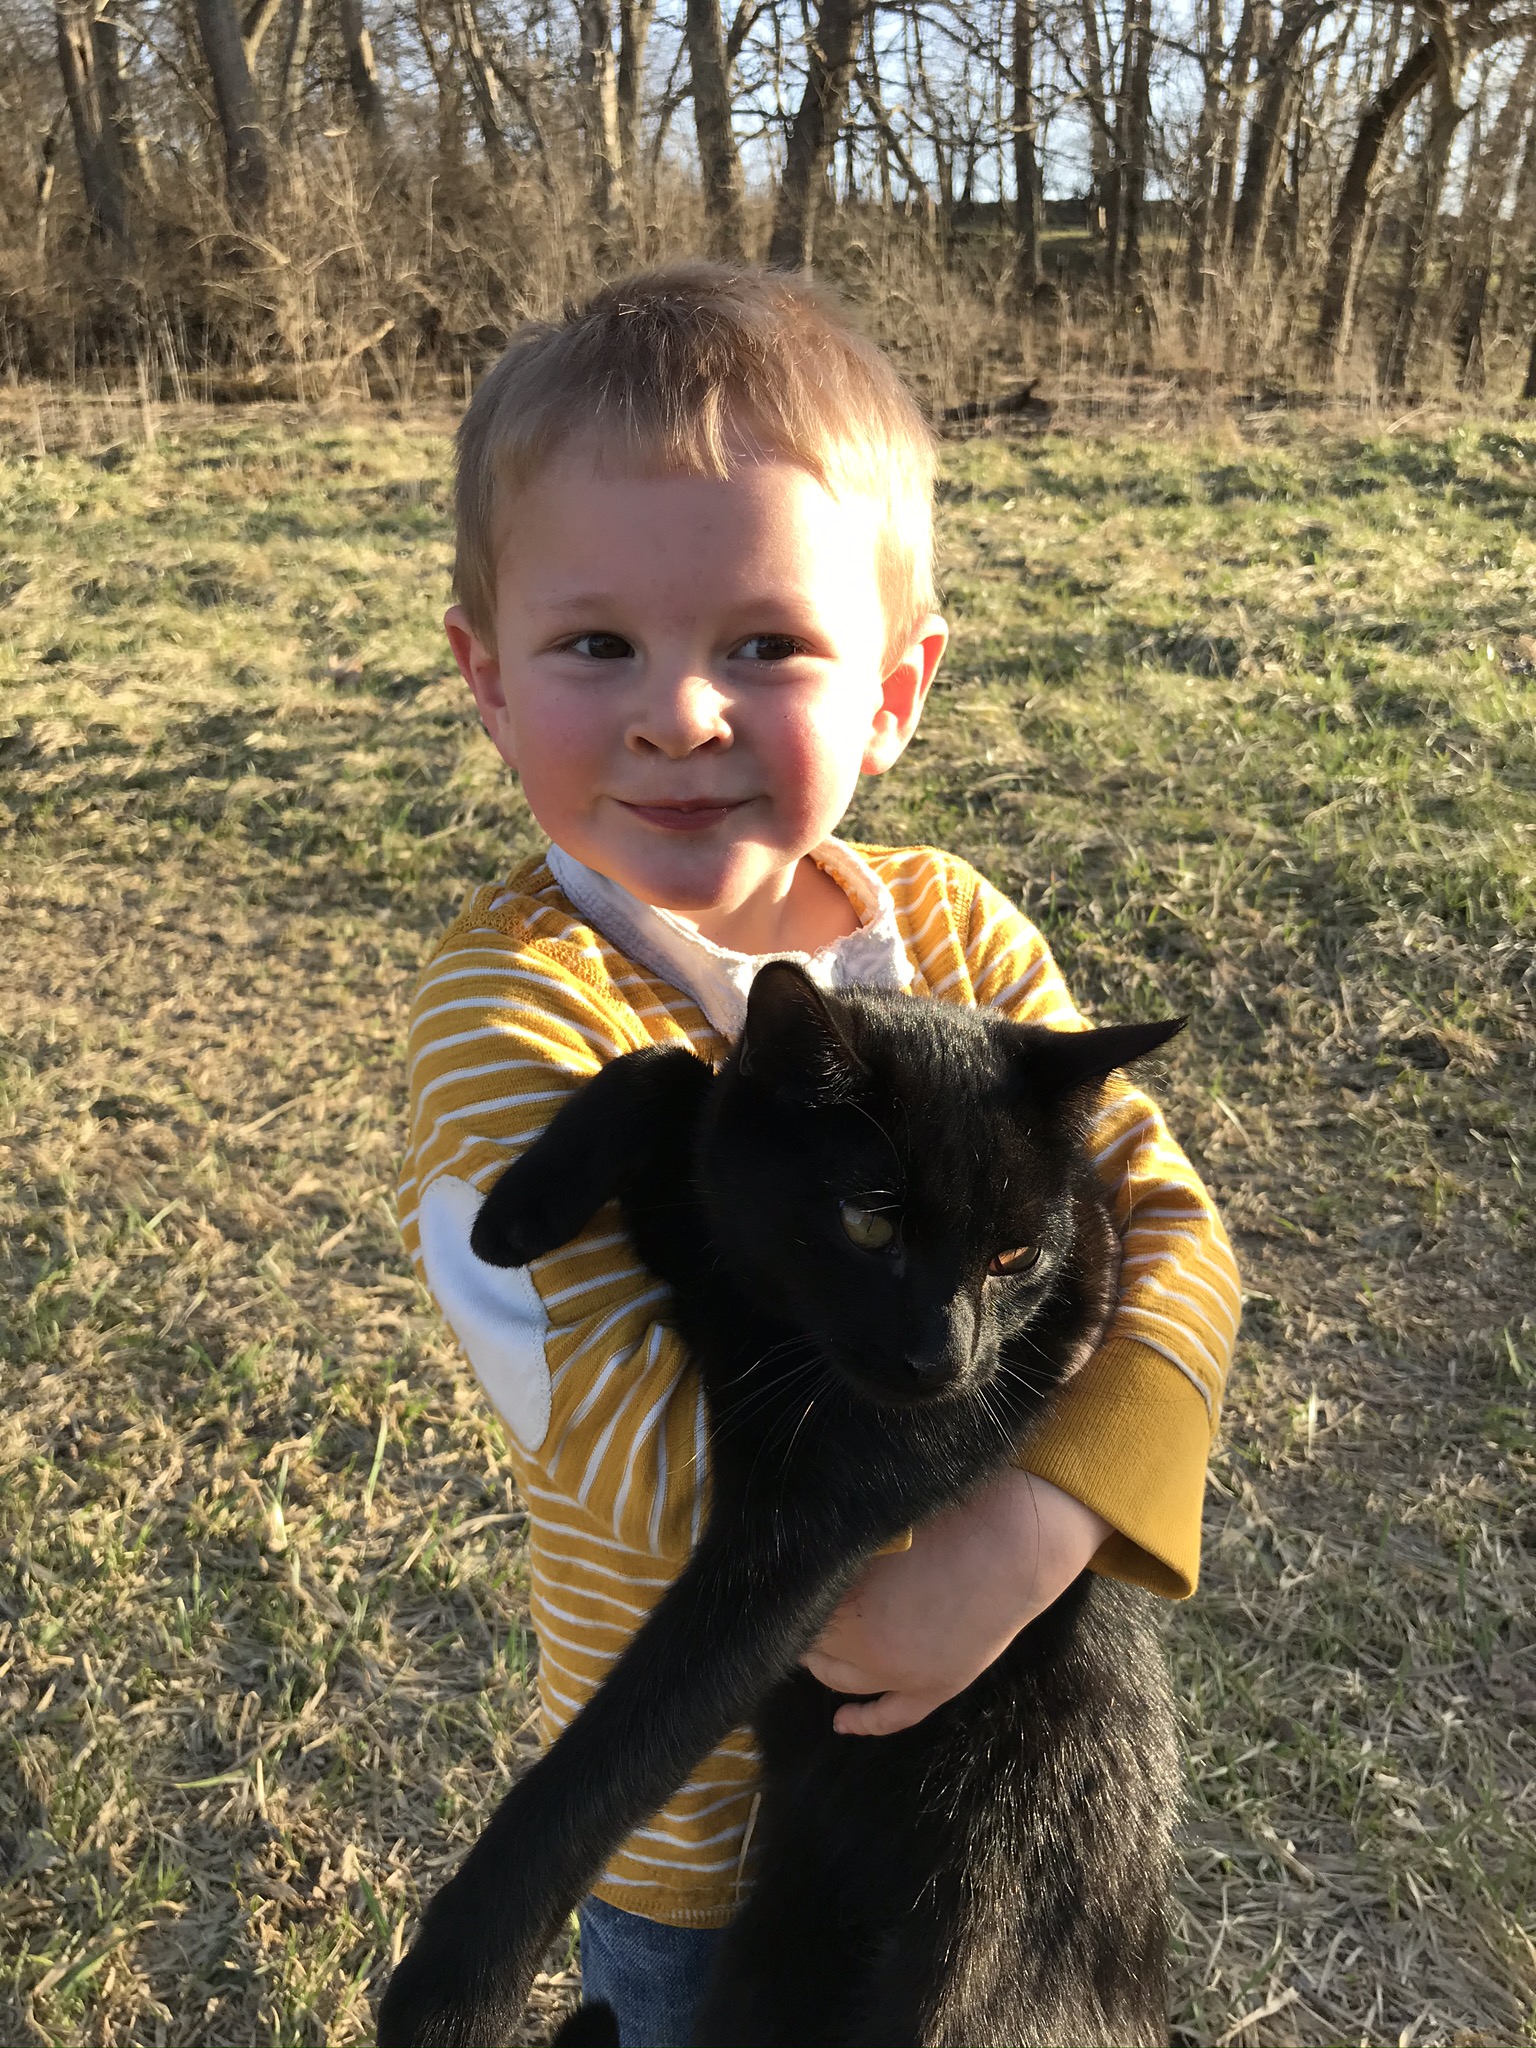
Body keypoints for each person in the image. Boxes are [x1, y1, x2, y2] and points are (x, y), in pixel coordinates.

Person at [397, 263, 1240, 2048]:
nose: (681, 714)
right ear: (485, 675)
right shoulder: (505, 1019)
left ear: (895, 688)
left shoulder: (961, 934)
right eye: (597, 642)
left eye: (767, 644)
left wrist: (1036, 1522)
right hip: (687, 1830)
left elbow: (1176, 1235)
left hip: (1004, 1828)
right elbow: (631, 1444)